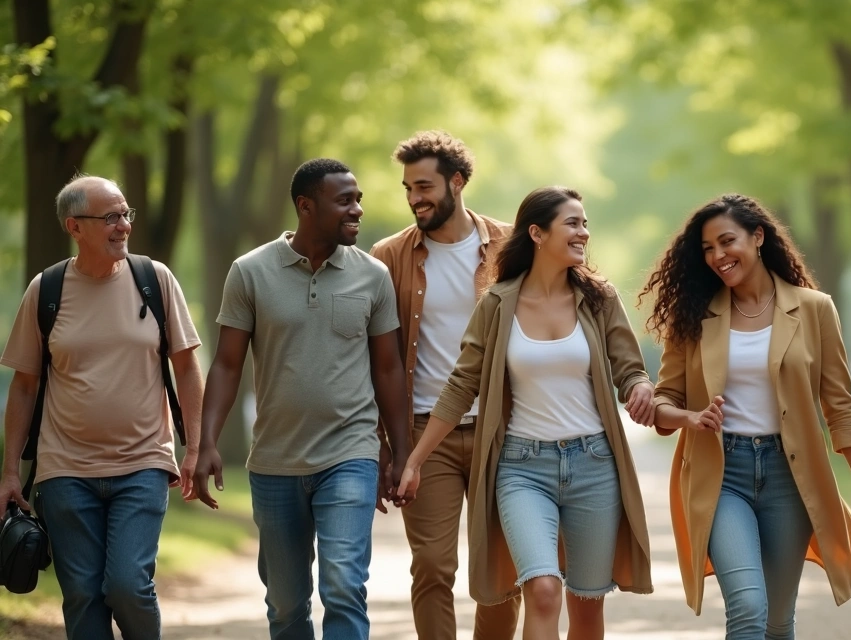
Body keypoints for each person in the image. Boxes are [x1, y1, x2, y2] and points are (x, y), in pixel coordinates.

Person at [396, 186, 655, 640]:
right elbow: (461, 386)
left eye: (586, 223)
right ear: (537, 233)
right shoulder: (497, 303)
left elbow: (629, 368)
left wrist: (640, 388)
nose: (583, 233)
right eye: (573, 223)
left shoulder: (599, 298)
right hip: (521, 468)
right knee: (541, 590)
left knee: (587, 606)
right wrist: (416, 460)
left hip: (594, 465)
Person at [638, 193, 851, 639]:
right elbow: (663, 402)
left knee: (776, 621)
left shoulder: (814, 308)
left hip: (789, 477)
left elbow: (839, 402)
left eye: (727, 241)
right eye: (708, 248)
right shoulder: (694, 316)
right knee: (749, 606)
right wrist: (690, 418)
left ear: (758, 237)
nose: (718, 256)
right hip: (722, 473)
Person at [191, 158, 411, 639]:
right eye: (344, 201)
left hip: (349, 453)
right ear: (305, 206)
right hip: (275, 460)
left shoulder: (372, 277)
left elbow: (389, 368)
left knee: (343, 583)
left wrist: (400, 451)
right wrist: (204, 442)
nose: (357, 210)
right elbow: (227, 364)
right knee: (286, 604)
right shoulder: (250, 272)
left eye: (358, 199)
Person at [0, 175, 204, 639]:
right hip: (65, 471)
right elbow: (25, 386)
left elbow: (188, 368)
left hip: (143, 463)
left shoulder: (154, 280)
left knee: (129, 586)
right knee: (84, 595)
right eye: (111, 217)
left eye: (126, 214)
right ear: (75, 226)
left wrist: (194, 446)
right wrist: (11, 472)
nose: (123, 226)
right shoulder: (46, 289)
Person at [369, 130, 520, 639]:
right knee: (433, 566)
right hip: (422, 434)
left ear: (457, 182)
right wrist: (383, 445)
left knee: (501, 571)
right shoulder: (388, 256)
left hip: (503, 431)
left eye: (425, 186)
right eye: (408, 188)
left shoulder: (511, 245)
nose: (415, 198)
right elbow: (376, 356)